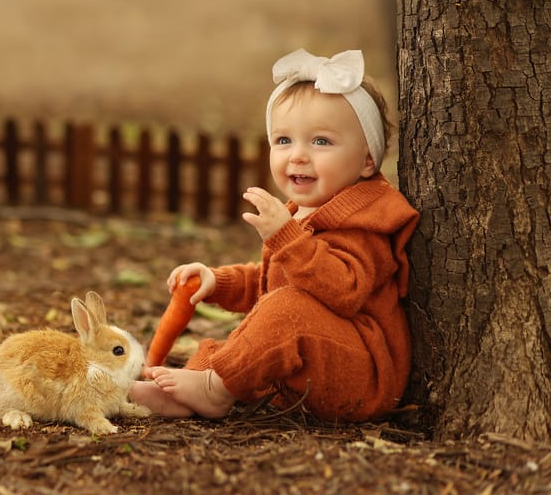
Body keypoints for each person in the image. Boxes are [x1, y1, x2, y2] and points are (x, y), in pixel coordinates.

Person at [130, 49, 420, 422]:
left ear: (367, 160)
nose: (297, 156)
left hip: (361, 375)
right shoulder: (300, 212)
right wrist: (216, 282)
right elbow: (272, 283)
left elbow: (344, 290)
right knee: (221, 348)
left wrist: (287, 238)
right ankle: (188, 396)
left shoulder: (367, 221)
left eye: (321, 142)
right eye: (284, 141)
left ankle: (214, 391)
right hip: (309, 362)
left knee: (283, 314)